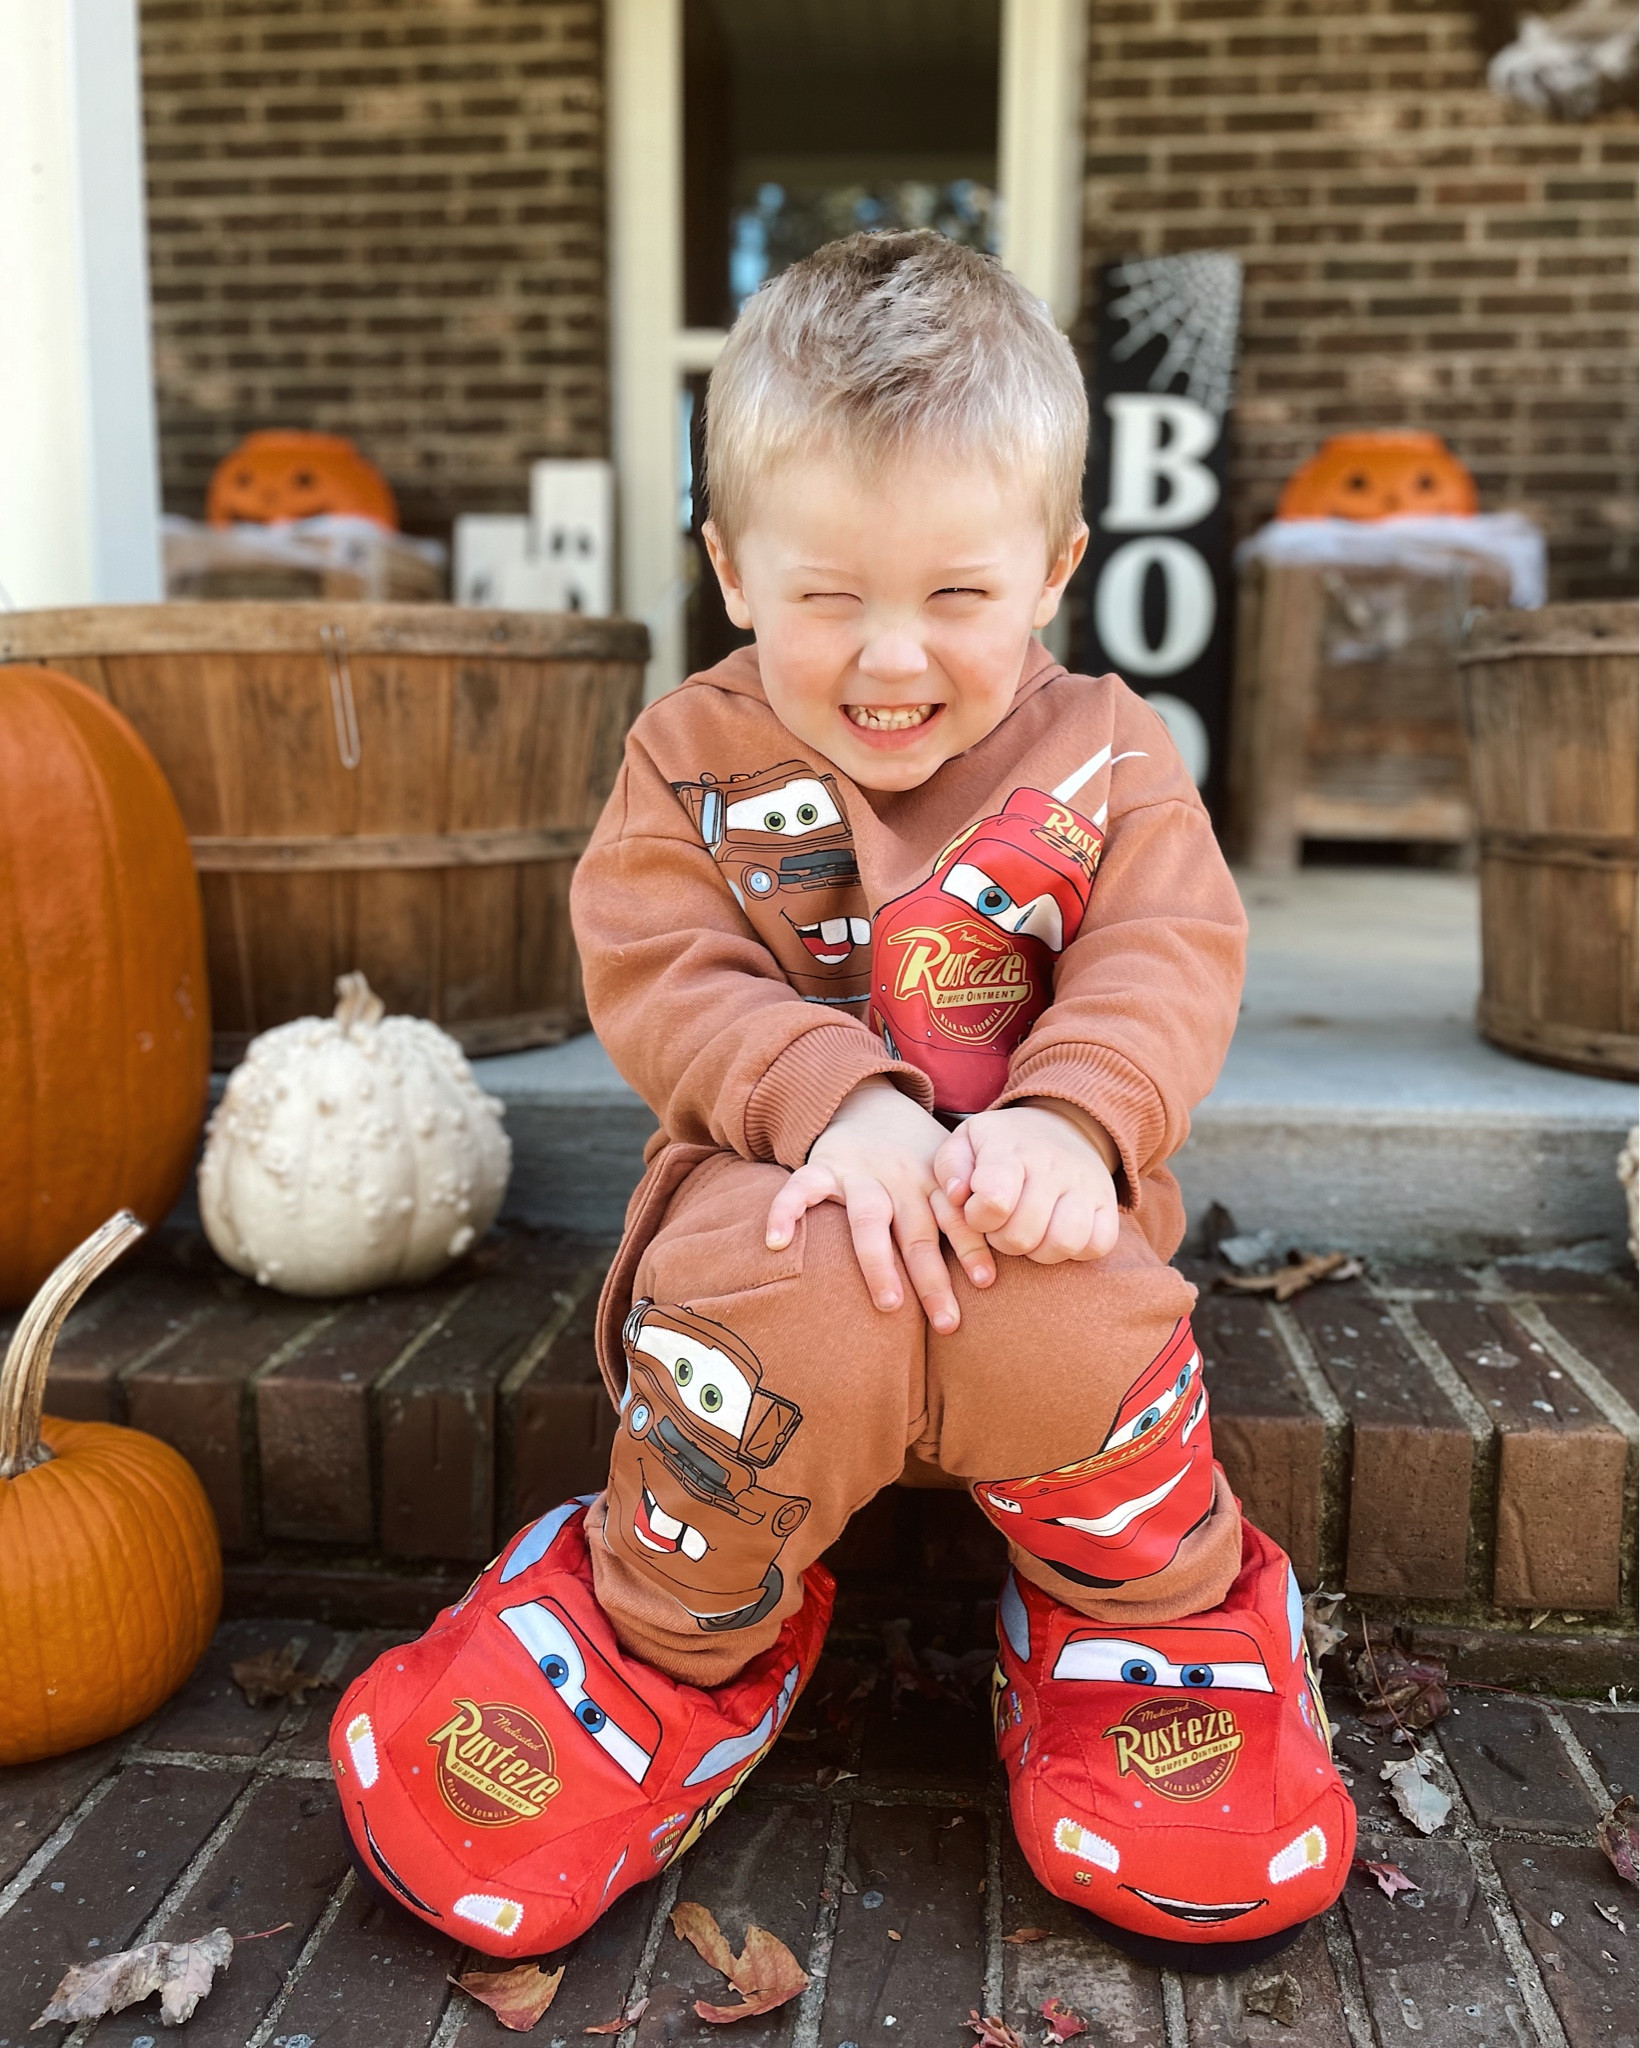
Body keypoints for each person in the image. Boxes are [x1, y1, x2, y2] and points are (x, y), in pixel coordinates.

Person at [330, 230, 1354, 1972]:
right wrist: (840, 1104)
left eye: (956, 595)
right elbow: (664, 969)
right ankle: (673, 1630)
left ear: (1054, 568)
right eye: (828, 596)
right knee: (767, 1314)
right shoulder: (686, 758)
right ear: (732, 567)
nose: (892, 659)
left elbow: (1167, 955)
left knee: (1082, 1312)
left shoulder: (1110, 755)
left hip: (1032, 1200)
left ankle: (1145, 1620)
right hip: (774, 1201)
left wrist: (1075, 1122)